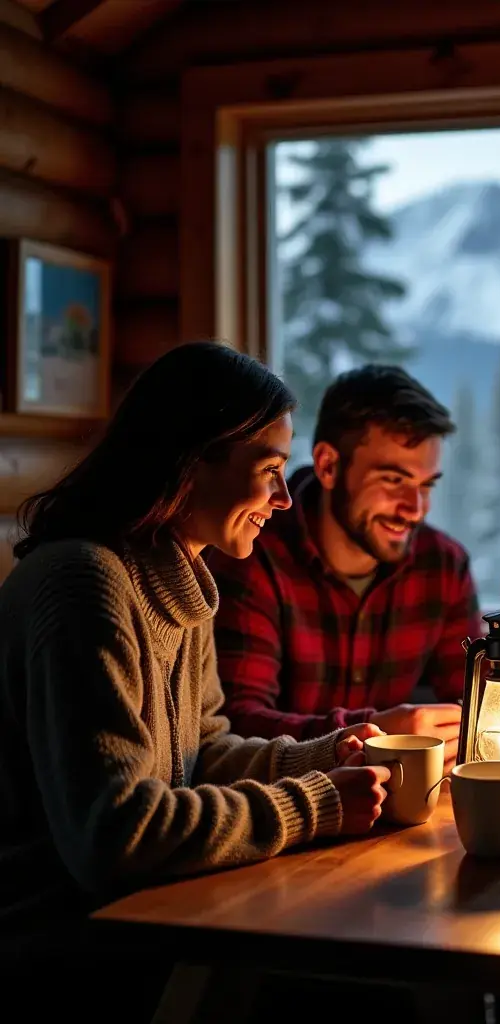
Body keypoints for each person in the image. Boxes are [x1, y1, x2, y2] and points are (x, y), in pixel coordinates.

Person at [0, 341, 391, 935]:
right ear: (191, 460)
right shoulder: (84, 586)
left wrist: (326, 754)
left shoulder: (177, 580)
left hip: (152, 916)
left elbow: (201, 757)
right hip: (61, 938)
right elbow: (115, 834)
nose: (285, 499)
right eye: (270, 470)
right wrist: (318, 803)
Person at [207, 365, 480, 771]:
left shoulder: (442, 566)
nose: (415, 508)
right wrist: (373, 732)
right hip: (282, 811)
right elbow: (237, 728)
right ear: (329, 465)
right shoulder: (252, 552)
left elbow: (477, 701)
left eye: (426, 485)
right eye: (393, 480)